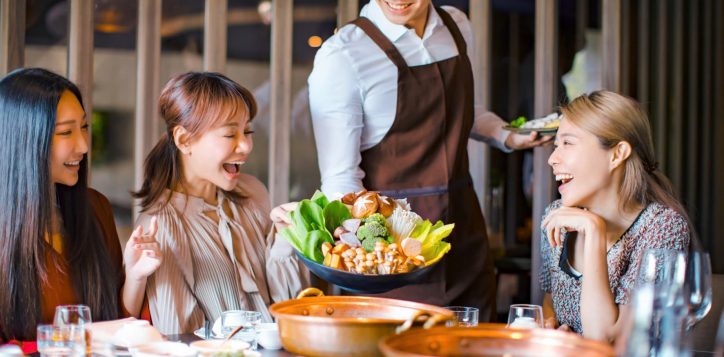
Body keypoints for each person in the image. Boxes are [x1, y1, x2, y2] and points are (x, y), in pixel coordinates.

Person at [305, 0, 550, 319]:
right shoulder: (343, 55)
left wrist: (505, 134)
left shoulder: (456, 25)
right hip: (394, 251)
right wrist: (378, 251)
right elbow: (341, 181)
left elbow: (463, 112)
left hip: (465, 236)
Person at [133, 72, 309, 335]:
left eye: (247, 131)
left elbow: (292, 307)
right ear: (184, 140)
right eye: (230, 134)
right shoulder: (160, 225)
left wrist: (286, 238)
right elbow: (180, 337)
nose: (246, 146)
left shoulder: (253, 194)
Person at [0, 68, 161, 346]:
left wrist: (135, 276)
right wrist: (84, 336)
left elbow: (117, 324)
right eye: (66, 132)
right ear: (24, 140)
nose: (84, 145)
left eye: (84, 127)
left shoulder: (94, 208)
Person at [540, 90, 691, 342]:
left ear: (617, 154)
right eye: (555, 146)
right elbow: (549, 302)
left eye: (567, 143)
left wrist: (594, 230)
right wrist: (551, 329)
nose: (552, 159)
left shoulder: (663, 227)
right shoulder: (557, 216)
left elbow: (609, 340)